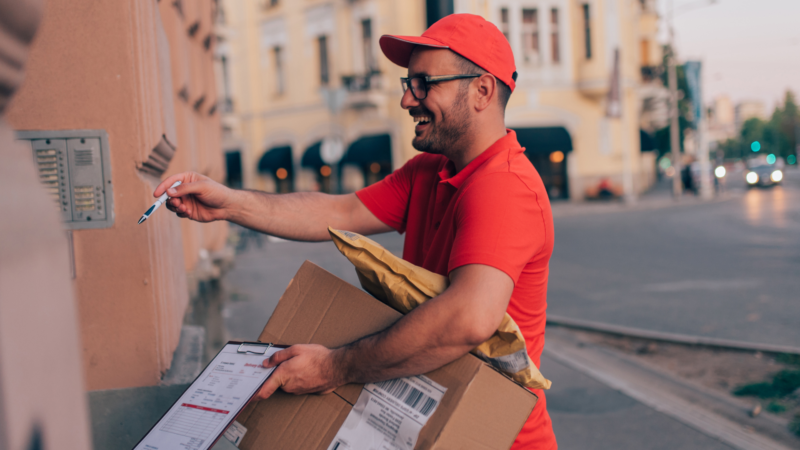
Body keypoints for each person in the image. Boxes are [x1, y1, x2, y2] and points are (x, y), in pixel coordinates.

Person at [155, 14, 557, 449]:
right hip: (438, 421)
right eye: (408, 83)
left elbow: (467, 320)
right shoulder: (431, 171)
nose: (408, 99)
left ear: (482, 90)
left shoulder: (504, 187)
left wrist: (333, 368)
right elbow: (338, 211)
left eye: (424, 83)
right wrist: (229, 203)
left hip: (497, 438)